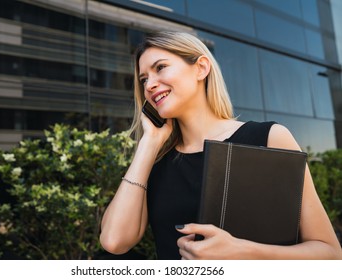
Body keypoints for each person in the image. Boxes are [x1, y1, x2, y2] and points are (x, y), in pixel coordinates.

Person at [100, 31, 342, 260]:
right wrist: (149, 143)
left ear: (201, 68)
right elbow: (114, 241)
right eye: (144, 79)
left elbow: (330, 253)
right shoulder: (154, 163)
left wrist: (243, 252)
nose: (150, 85)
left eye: (160, 68)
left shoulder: (269, 138)